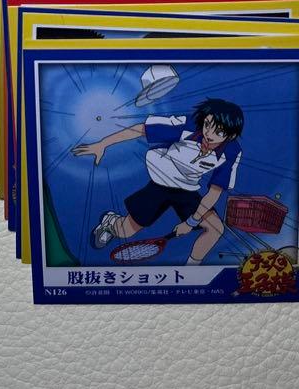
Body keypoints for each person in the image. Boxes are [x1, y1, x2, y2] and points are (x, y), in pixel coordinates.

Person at [72, 98, 243, 265]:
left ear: (232, 135)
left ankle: (192, 269)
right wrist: (103, 144)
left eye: (219, 132)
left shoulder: (232, 152)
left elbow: (214, 193)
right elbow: (141, 130)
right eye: (207, 125)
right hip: (160, 180)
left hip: (187, 189)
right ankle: (110, 222)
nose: (209, 134)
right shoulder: (186, 126)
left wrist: (191, 222)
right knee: (124, 232)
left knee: (215, 228)